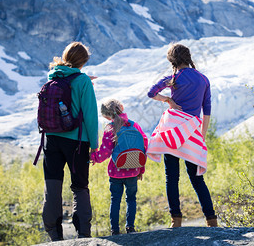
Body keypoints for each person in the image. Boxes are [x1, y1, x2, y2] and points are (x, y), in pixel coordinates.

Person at [146, 43, 218, 228]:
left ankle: (176, 220)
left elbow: (151, 92)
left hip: (172, 132)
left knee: (172, 177)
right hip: (191, 132)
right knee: (196, 179)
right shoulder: (203, 79)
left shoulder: (173, 78)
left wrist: (168, 100)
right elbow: (206, 111)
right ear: (188, 57)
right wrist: (201, 136)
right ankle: (211, 220)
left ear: (172, 61)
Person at [42, 41, 99, 241]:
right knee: (80, 186)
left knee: (52, 185)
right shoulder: (83, 81)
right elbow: (90, 115)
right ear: (83, 62)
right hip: (77, 142)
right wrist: (94, 145)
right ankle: (83, 233)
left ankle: (54, 234)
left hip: (51, 139)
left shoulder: (53, 76)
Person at [90, 99, 148, 236]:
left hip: (116, 172)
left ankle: (115, 230)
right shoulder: (135, 125)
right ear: (122, 107)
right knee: (131, 199)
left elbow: (105, 152)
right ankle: (130, 228)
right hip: (133, 170)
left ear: (105, 116)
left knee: (115, 199)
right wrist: (141, 169)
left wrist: (93, 157)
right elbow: (144, 147)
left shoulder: (110, 128)